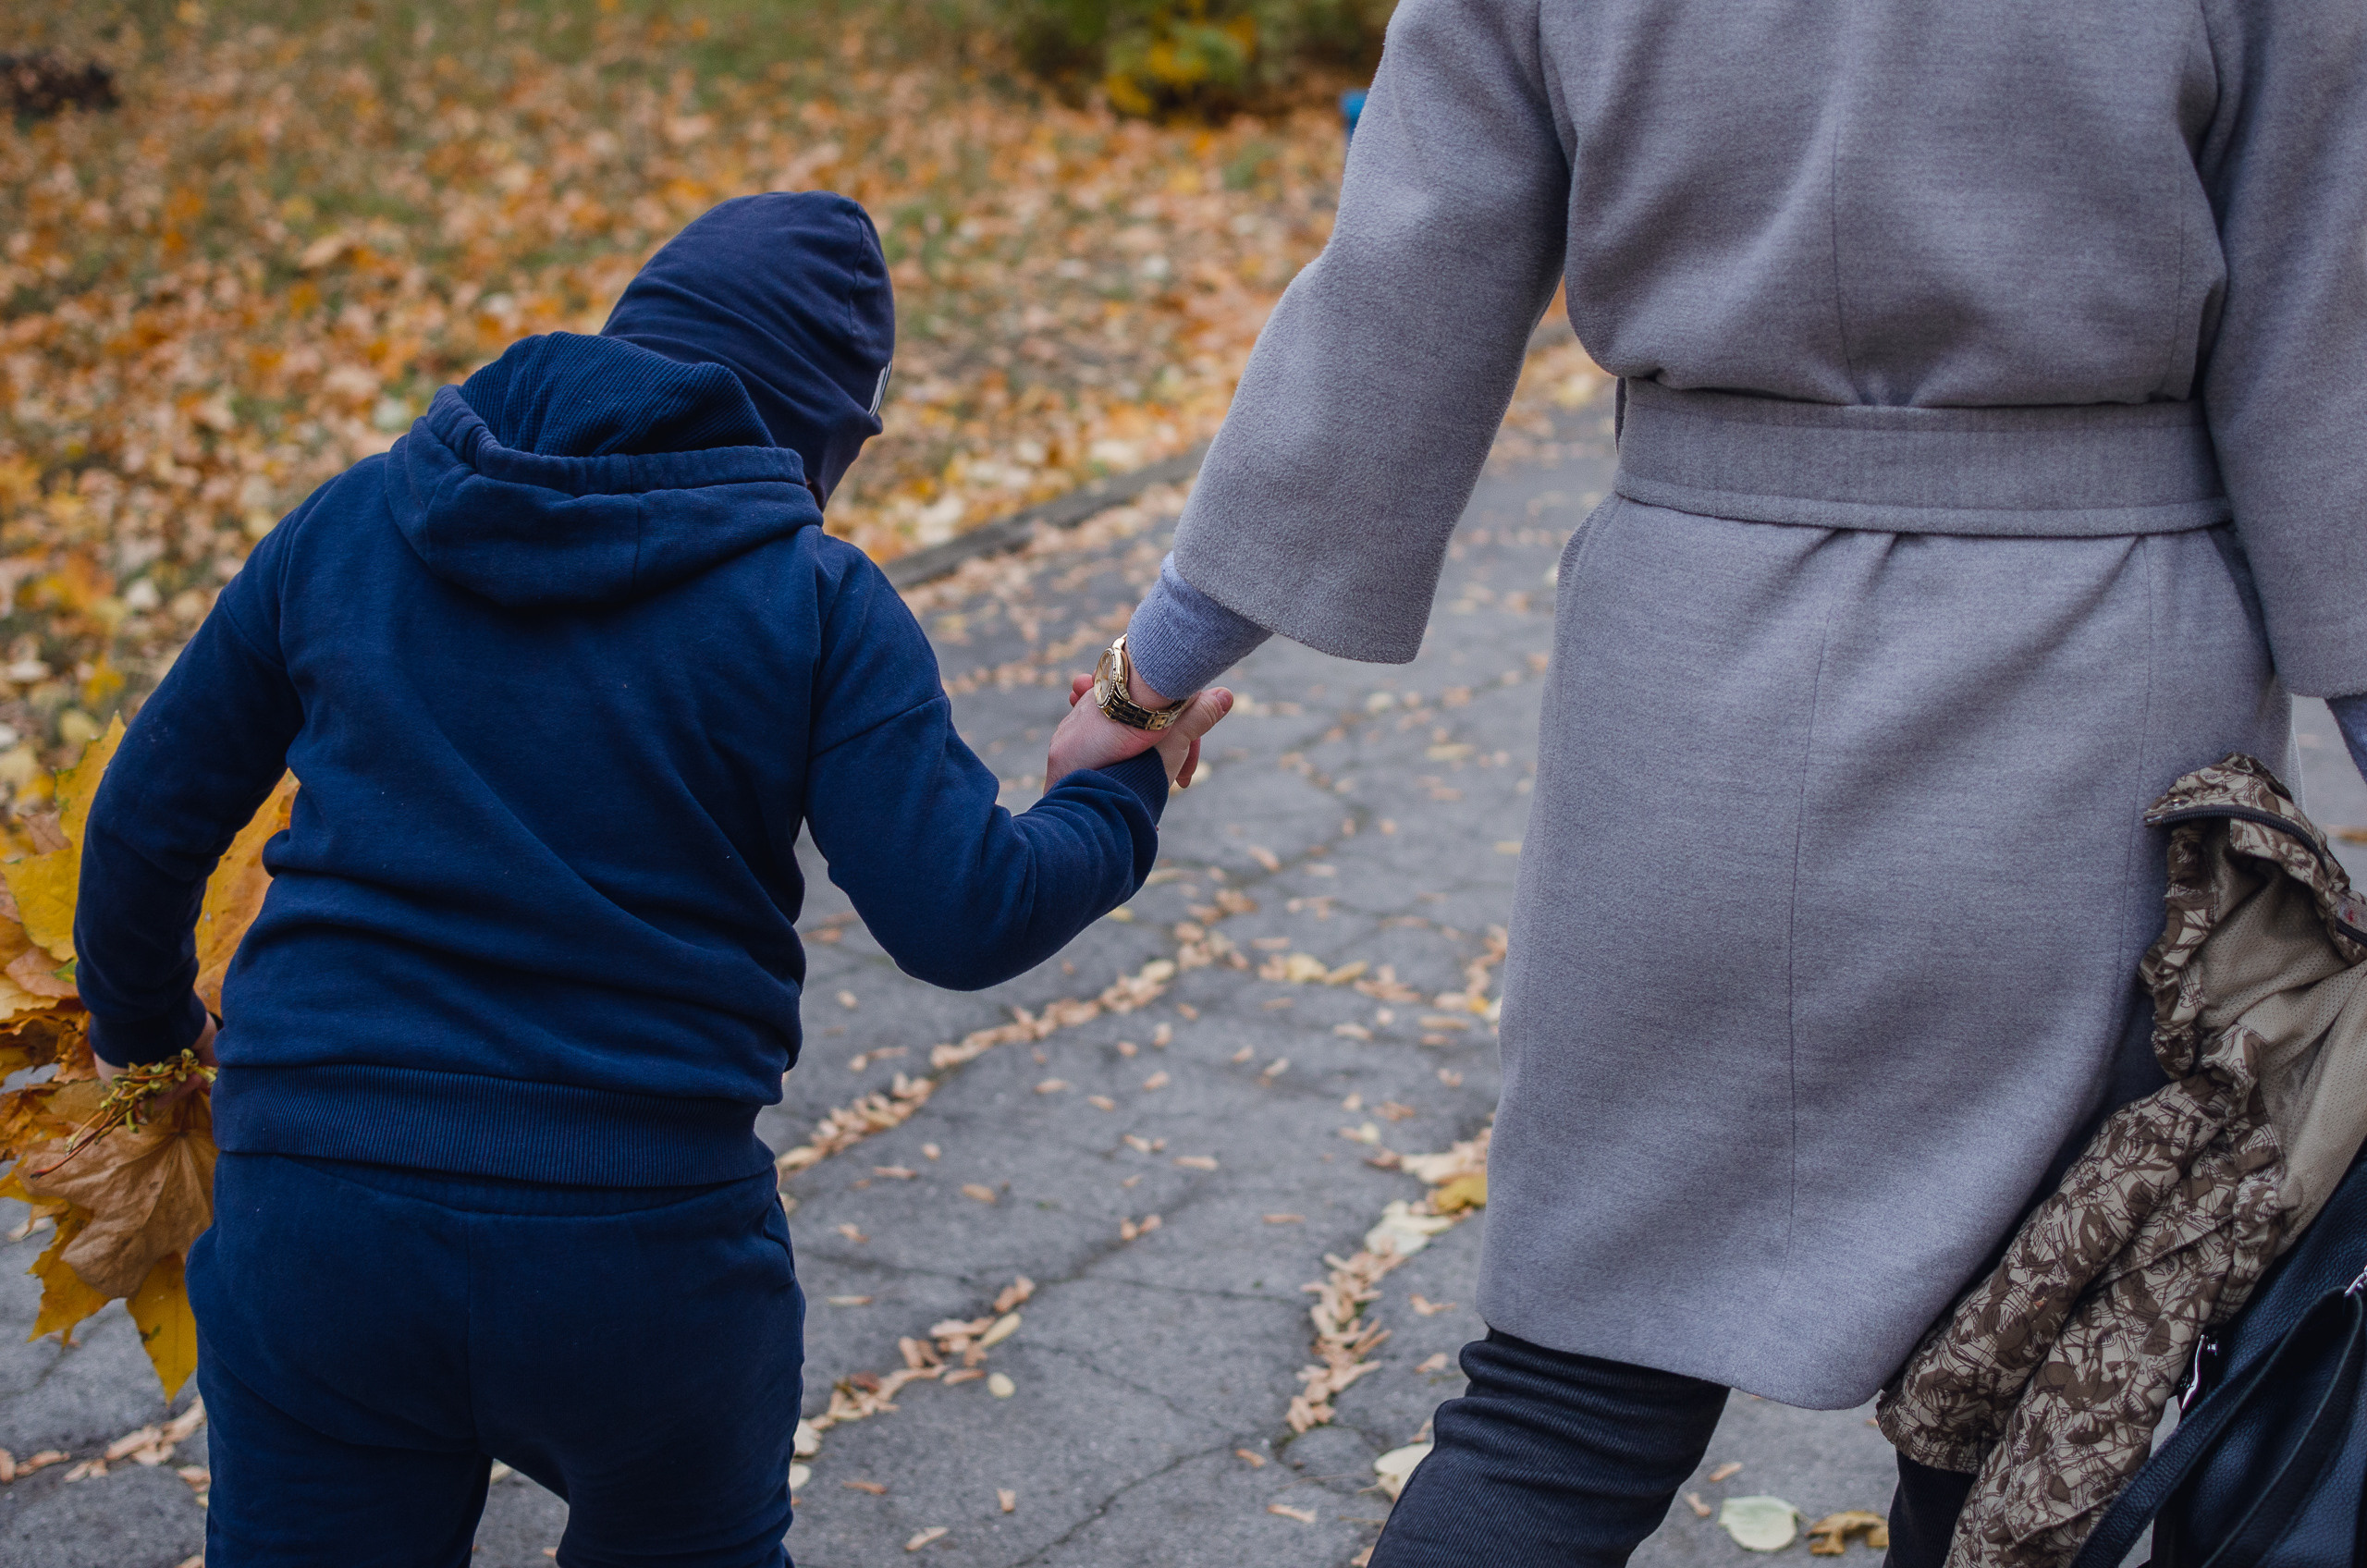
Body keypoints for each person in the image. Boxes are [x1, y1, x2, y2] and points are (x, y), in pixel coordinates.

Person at [1110, 1, 2367, 1563]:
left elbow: (1408, 279)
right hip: (2099, 715)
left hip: (1689, 694)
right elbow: (2327, 340)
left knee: (1564, 1404)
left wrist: (1152, 670)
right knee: (2029, 1426)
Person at [71, 191, 1229, 1568]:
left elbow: (141, 827)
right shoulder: (812, 600)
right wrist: (1115, 790)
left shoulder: (352, 524)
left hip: (316, 1222)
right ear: (818, 427)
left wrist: (149, 1044)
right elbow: (962, 911)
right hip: (637, 1257)